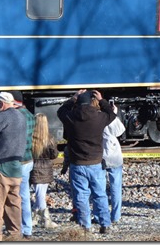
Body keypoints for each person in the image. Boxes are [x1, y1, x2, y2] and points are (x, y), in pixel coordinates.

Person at [57, 89, 116, 234]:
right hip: (95, 162)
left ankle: (85, 226)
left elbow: (60, 111)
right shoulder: (99, 117)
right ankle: (105, 224)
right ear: (91, 102)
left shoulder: (70, 117)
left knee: (81, 196)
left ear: (78, 102)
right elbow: (112, 113)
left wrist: (73, 98)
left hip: (78, 164)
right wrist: (102, 100)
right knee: (100, 194)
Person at [0, 91, 27, 241]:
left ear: (1, 103)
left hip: (0, 166)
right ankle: (15, 236)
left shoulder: (2, 117)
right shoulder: (21, 116)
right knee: (13, 204)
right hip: (16, 168)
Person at [9, 90, 35, 238]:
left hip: (15, 161)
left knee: (11, 196)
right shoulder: (30, 116)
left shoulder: (14, 117)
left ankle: (14, 228)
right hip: (28, 160)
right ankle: (27, 229)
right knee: (24, 195)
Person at [30, 113, 59, 229]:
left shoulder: (30, 138)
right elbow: (54, 155)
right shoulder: (50, 139)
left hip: (34, 169)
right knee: (40, 195)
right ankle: (46, 219)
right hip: (46, 169)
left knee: (39, 194)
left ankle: (34, 216)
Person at [102, 101, 125, 224]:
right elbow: (120, 130)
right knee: (116, 188)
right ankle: (115, 216)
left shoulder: (95, 117)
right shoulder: (109, 117)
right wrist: (114, 113)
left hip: (100, 156)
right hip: (114, 156)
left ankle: (101, 215)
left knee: (99, 189)